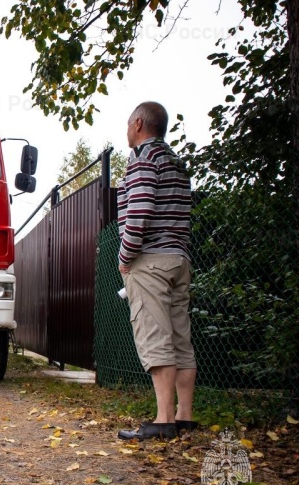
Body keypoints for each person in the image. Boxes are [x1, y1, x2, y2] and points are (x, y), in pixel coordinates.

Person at [116, 101, 197, 441]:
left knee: (155, 335)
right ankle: (184, 415)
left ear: (138, 123)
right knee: (180, 337)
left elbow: (140, 212)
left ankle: (162, 419)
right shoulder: (176, 163)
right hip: (179, 258)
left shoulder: (143, 161)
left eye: (128, 123)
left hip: (149, 259)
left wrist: (125, 256)